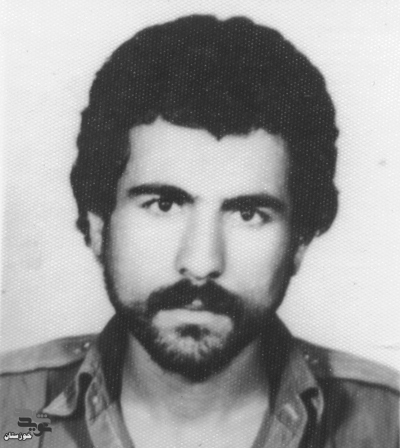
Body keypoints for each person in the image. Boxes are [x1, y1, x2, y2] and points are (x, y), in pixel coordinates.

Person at [0, 14, 398, 448]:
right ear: (98, 225)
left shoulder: (387, 426)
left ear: (299, 241)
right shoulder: (15, 417)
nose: (201, 263)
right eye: (164, 205)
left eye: (248, 214)